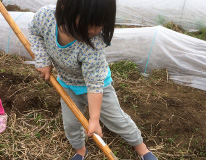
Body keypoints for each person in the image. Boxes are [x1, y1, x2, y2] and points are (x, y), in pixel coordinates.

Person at [28, 0, 158, 159]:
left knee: (117, 120)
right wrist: (43, 60)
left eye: (101, 23)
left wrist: (94, 119)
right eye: (89, 23)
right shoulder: (46, 17)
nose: (95, 30)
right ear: (65, 8)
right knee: (71, 125)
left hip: (97, 86)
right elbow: (34, 32)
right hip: (67, 84)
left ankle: (141, 148)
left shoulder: (94, 43)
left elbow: (94, 83)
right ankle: (80, 150)